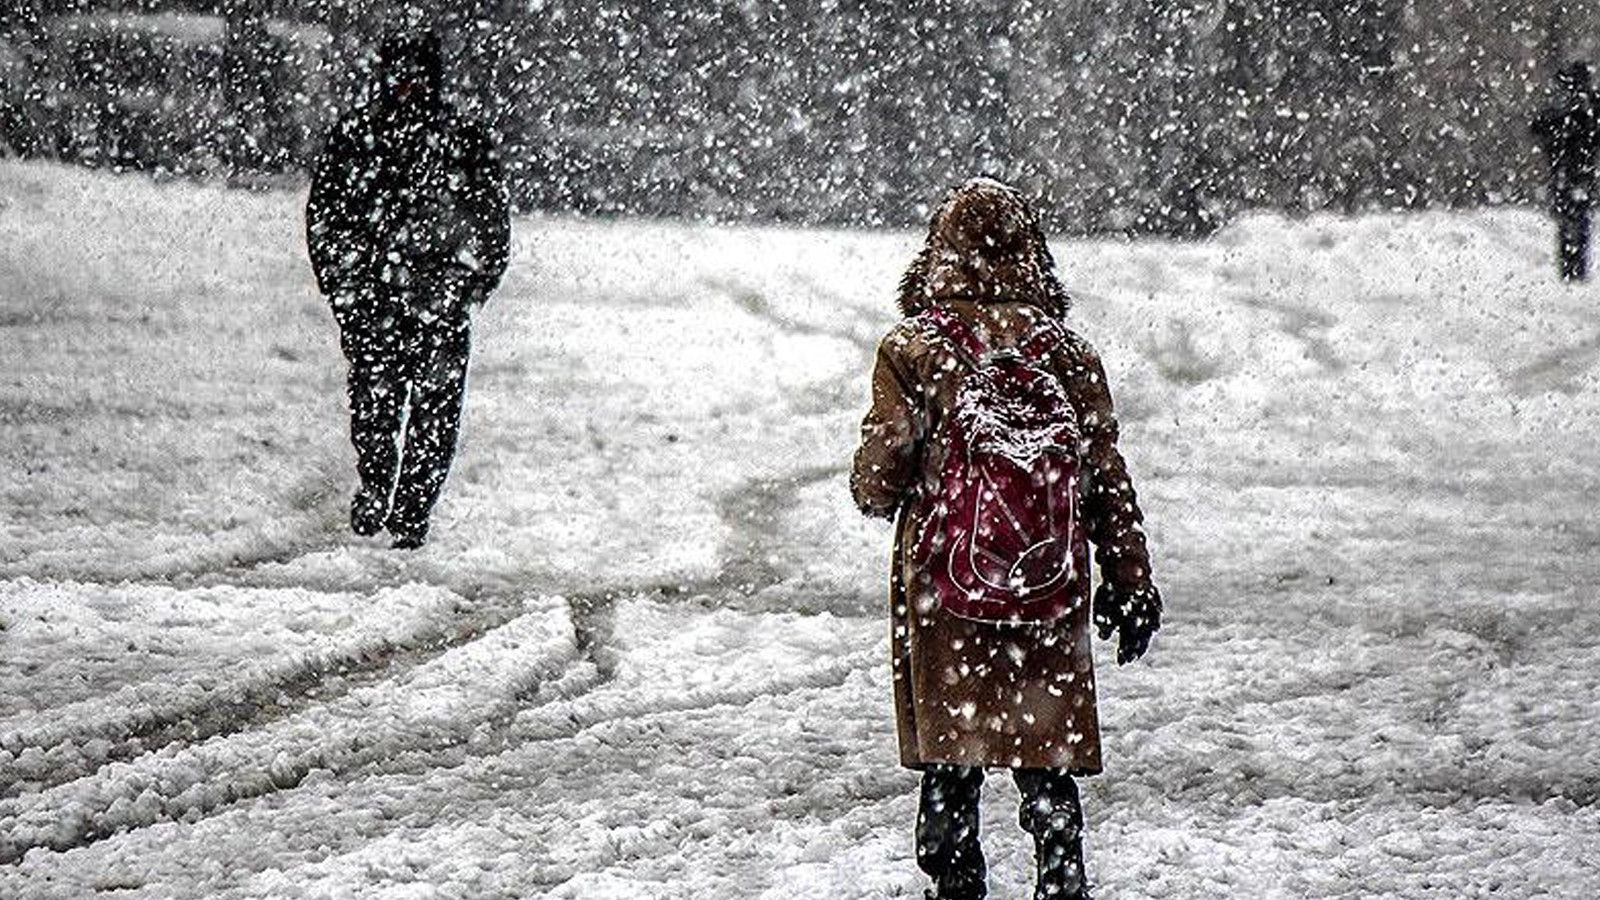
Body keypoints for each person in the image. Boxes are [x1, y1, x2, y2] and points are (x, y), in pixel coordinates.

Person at [850, 178, 1161, 900]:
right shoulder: (1068, 354)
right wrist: (1130, 578)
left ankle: (954, 880)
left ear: (937, 255)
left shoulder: (913, 350)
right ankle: (1060, 874)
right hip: (1046, 588)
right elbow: (1104, 476)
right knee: (1043, 752)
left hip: (946, 585)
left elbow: (881, 474)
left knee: (950, 759)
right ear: (1034, 255)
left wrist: (879, 486)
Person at [306, 32, 509, 549]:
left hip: (437, 299)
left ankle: (412, 511)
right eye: (401, 73)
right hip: (375, 298)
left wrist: (471, 284)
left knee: (434, 414)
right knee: (375, 401)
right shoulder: (358, 136)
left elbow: (490, 220)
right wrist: (344, 284)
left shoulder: (460, 139)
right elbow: (326, 218)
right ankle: (377, 484)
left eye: (418, 73)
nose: (408, 85)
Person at [1533, 62, 1600, 281]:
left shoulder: (1585, 106)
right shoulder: (1573, 107)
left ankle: (1572, 266)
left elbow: (1540, 128)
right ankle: (1572, 266)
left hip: (1573, 169)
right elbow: (1540, 127)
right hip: (1574, 169)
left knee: (1574, 218)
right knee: (1573, 218)